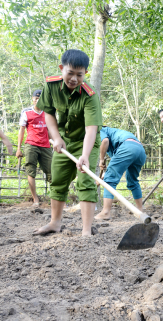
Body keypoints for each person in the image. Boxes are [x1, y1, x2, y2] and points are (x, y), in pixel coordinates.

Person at [33, 49, 102, 237]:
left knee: (86, 180)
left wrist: (85, 156)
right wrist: (56, 138)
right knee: (58, 180)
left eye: (79, 75)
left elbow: (91, 130)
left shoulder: (90, 95)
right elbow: (48, 113)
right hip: (63, 140)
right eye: (70, 73)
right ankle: (55, 223)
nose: (74, 78)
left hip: (86, 142)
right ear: (61, 68)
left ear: (85, 73)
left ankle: (86, 230)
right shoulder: (51, 86)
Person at [94, 127, 146, 220]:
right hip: (140, 149)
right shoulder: (115, 135)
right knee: (132, 181)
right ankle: (140, 211)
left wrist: (101, 159)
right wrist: (104, 177)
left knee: (110, 179)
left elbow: (104, 141)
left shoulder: (99, 130)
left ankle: (105, 212)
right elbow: (116, 168)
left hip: (127, 147)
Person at [16, 89, 52, 207]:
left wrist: (56, 143)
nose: (37, 101)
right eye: (35, 98)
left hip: (46, 145)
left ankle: (56, 199)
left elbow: (51, 130)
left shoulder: (48, 113)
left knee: (52, 172)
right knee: (31, 171)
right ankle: (35, 200)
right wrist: (19, 148)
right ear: (32, 99)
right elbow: (21, 131)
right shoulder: (26, 112)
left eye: (40, 99)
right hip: (31, 144)